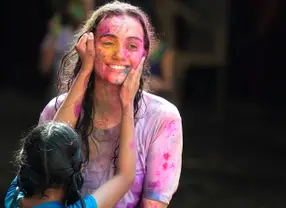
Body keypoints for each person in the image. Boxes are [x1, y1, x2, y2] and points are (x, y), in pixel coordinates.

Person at [38, 1, 182, 207]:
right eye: (108, 42)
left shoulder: (162, 117)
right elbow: (45, 180)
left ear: (145, 54)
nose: (120, 54)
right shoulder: (55, 109)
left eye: (132, 46)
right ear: (89, 46)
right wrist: (85, 72)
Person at [5, 30, 140, 207]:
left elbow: (52, 141)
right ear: (79, 168)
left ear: (26, 161)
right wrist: (127, 103)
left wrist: (85, 70)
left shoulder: (13, 197)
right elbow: (125, 177)